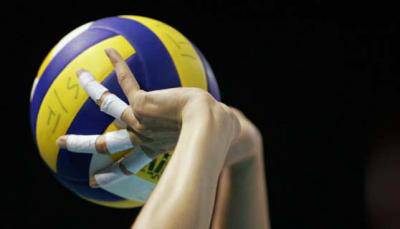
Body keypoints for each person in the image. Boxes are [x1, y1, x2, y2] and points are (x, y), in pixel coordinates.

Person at [56, 48, 270, 229]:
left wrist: (243, 143)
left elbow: (246, 144)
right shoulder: (205, 115)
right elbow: (209, 116)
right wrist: (202, 116)